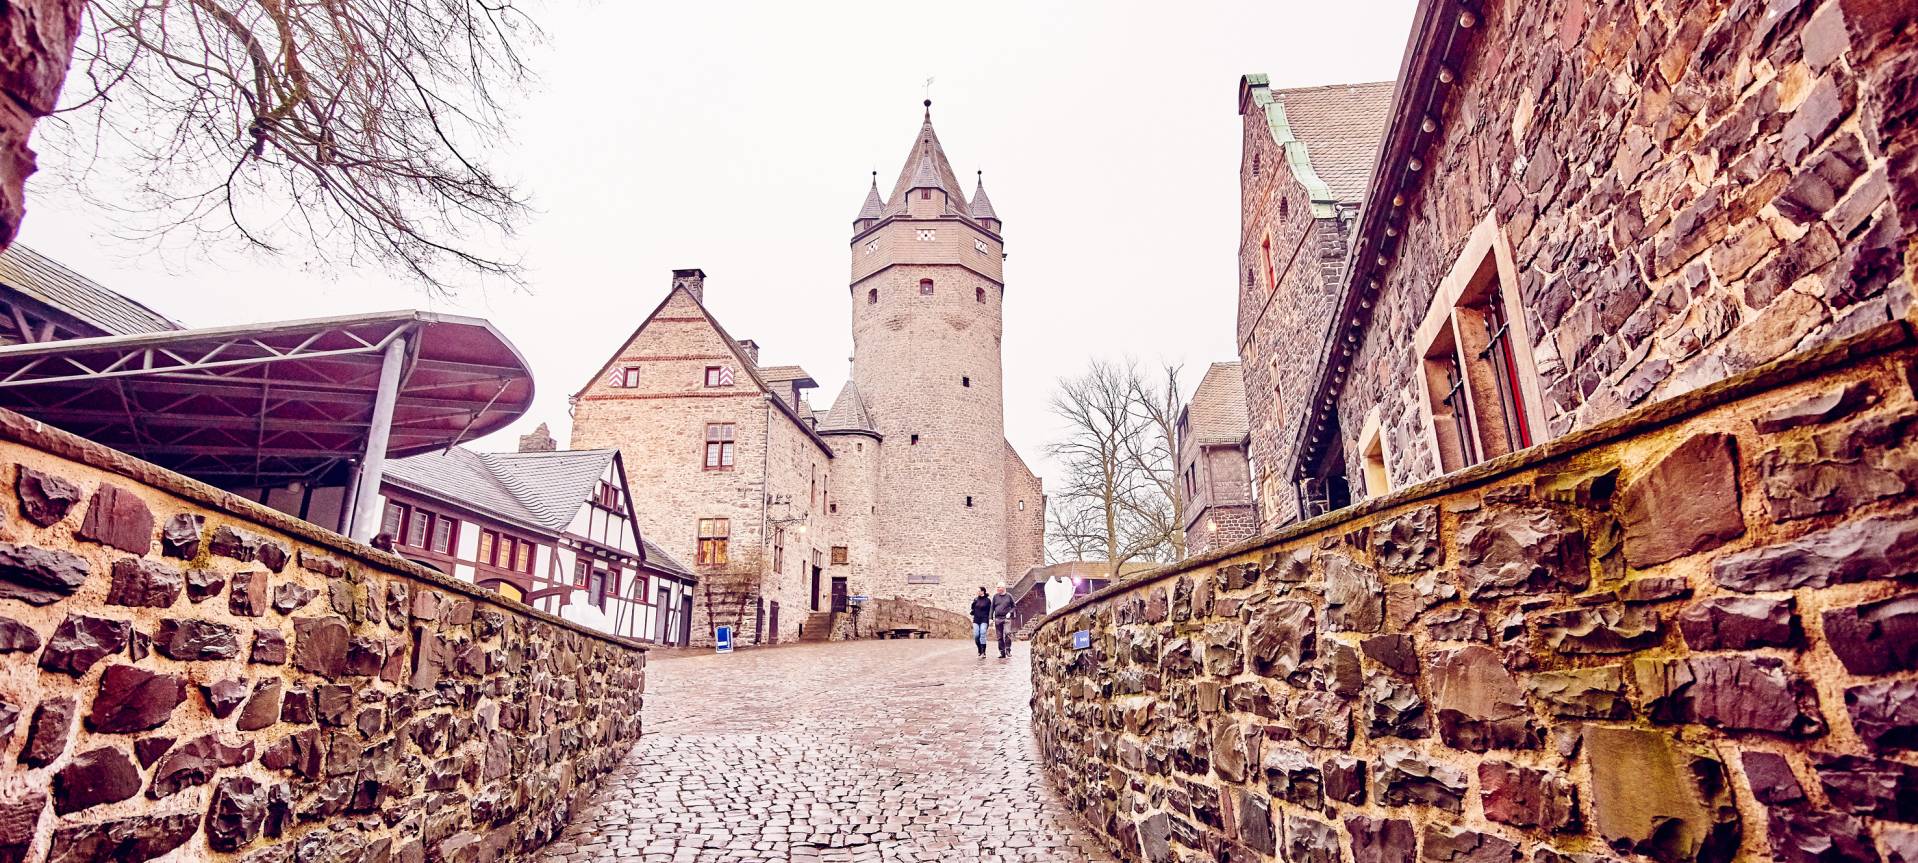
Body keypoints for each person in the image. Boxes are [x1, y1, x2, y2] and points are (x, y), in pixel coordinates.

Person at [991, 583, 1017, 658]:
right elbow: (992, 608)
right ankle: (1002, 652)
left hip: (1006, 618)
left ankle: (1008, 650)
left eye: (999, 587)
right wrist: (991, 618)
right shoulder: (995, 596)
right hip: (997, 618)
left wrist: (1010, 612)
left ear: (1003, 588)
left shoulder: (1009, 596)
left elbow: (1014, 606)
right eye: (997, 587)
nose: (997, 589)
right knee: (999, 637)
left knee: (1007, 633)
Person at [969, 587, 992, 658]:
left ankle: (983, 652)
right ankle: (979, 649)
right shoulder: (976, 599)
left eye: (979, 591)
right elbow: (972, 608)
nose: (977, 592)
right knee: (976, 635)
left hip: (984, 619)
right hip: (976, 619)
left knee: (982, 633)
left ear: (983, 592)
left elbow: (990, 610)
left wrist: (990, 618)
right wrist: (973, 603)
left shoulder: (988, 600)